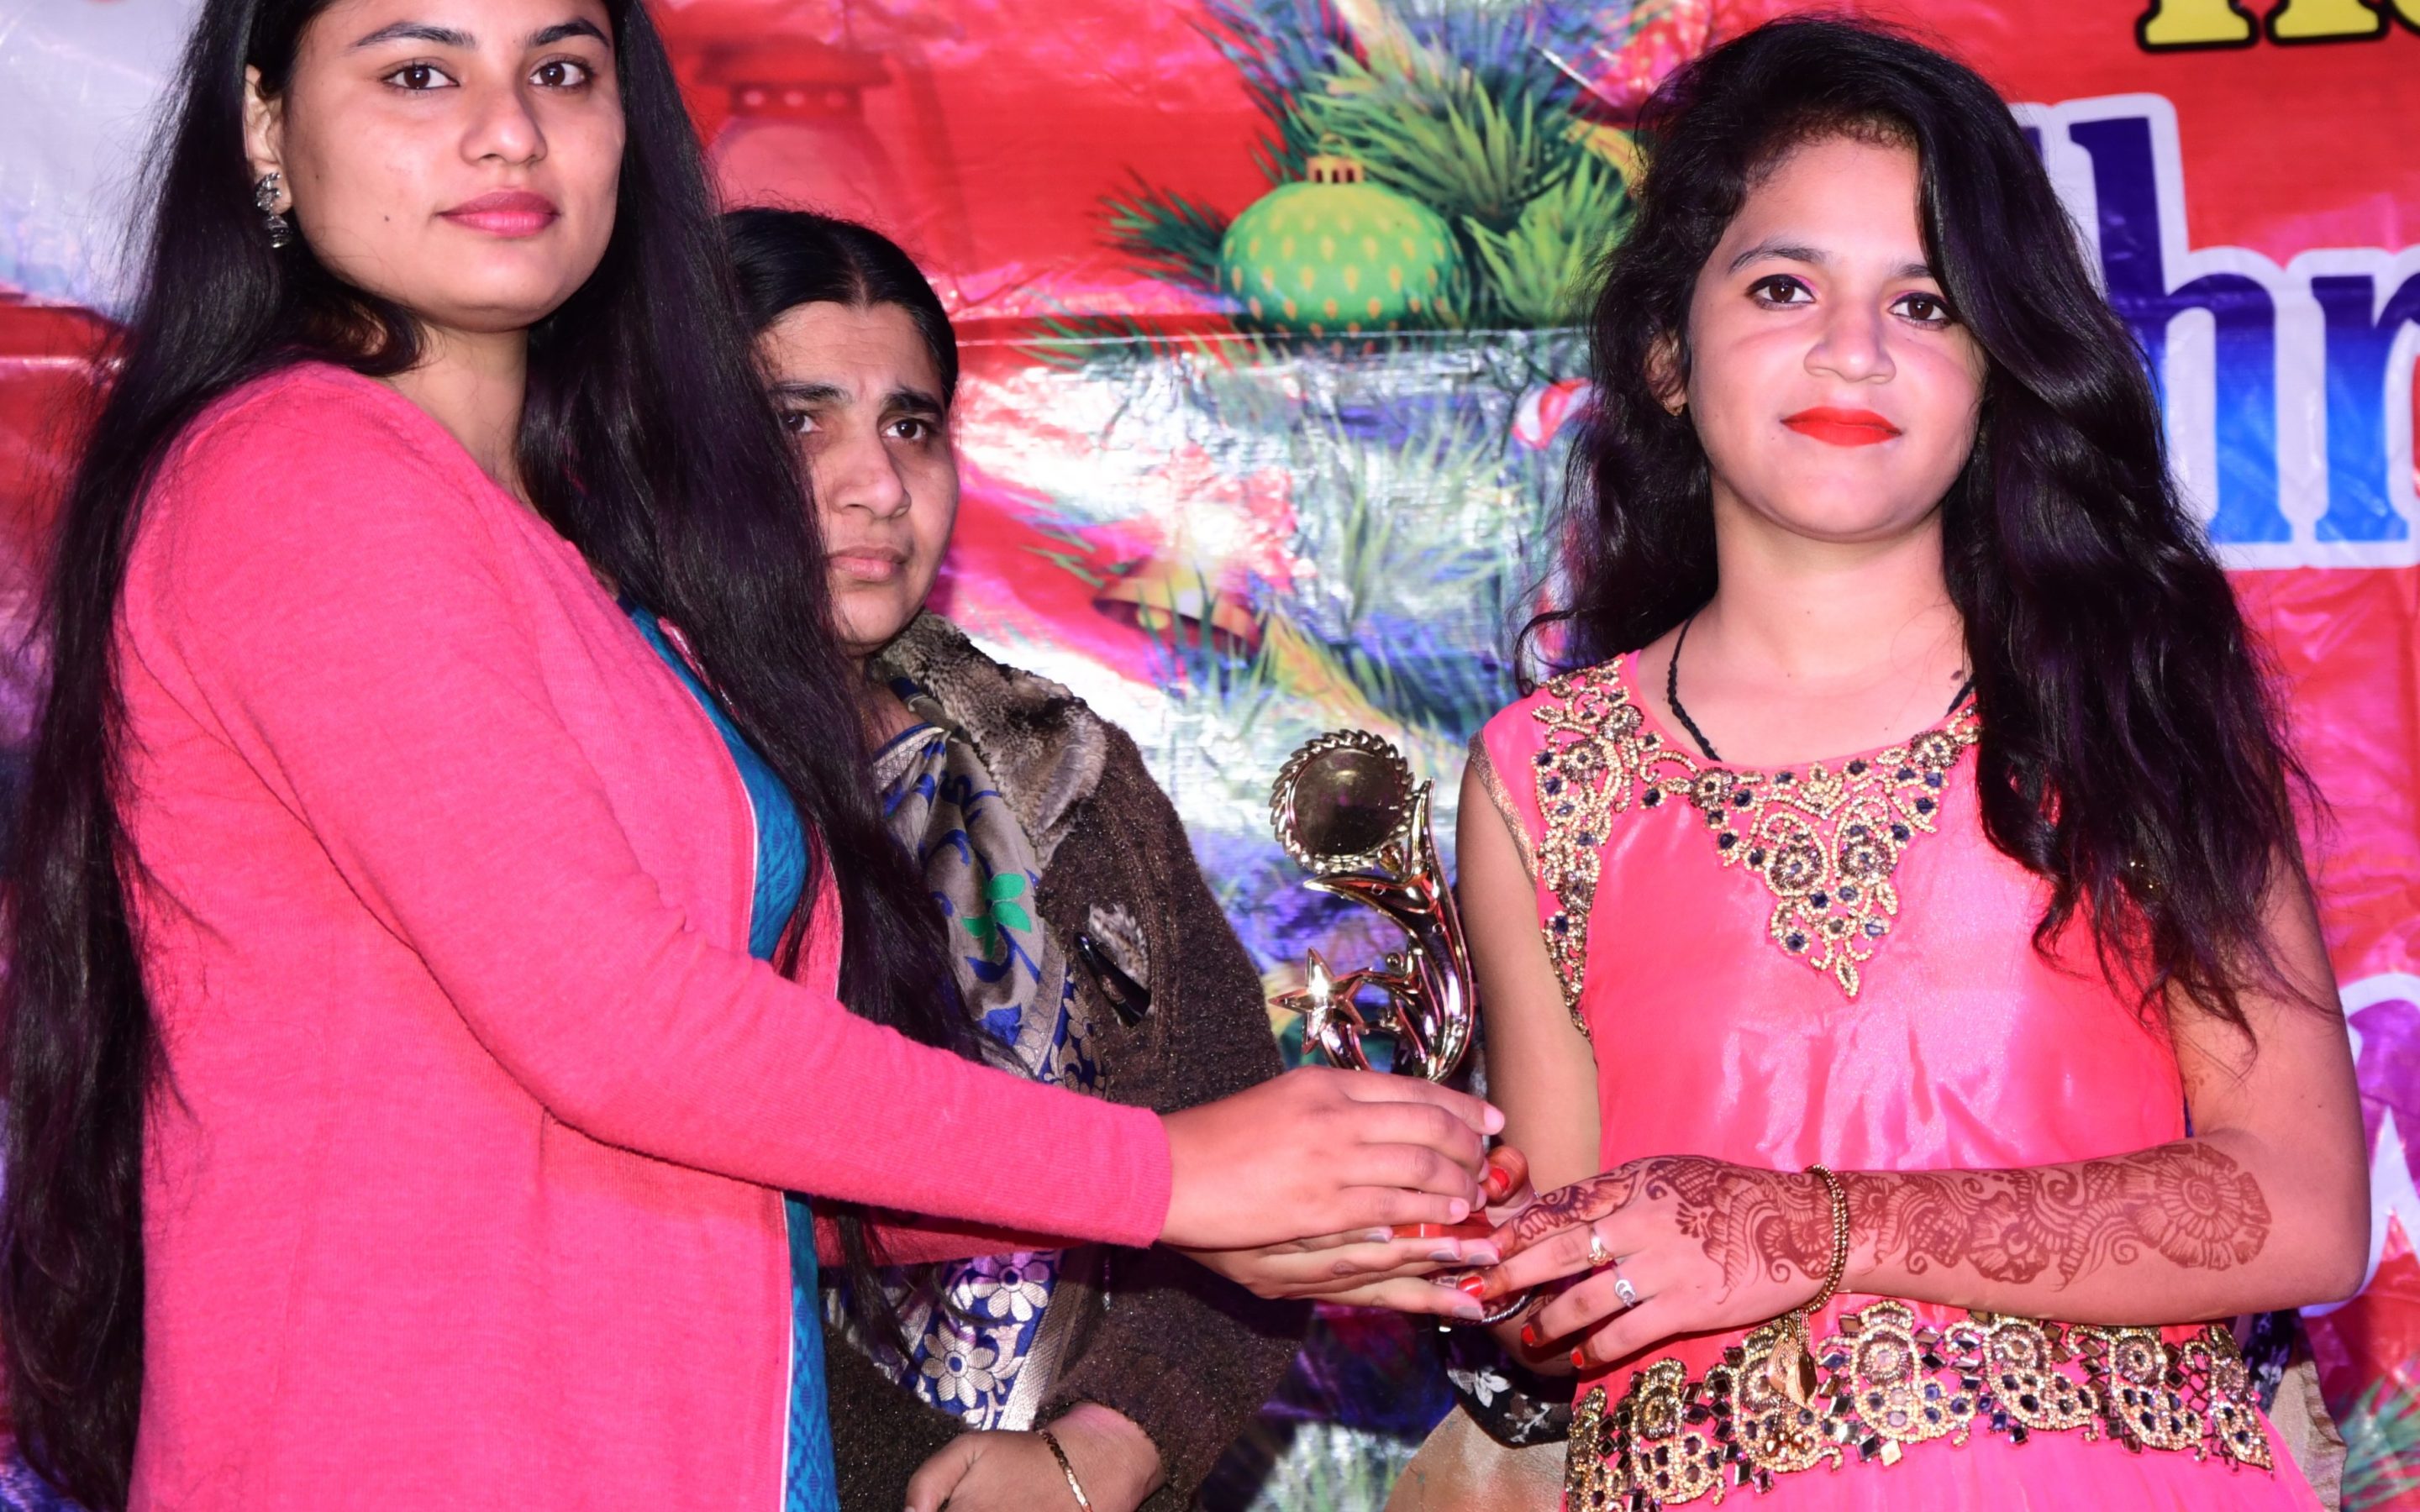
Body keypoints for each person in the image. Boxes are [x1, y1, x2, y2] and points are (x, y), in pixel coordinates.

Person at [0, 4, 1512, 1509]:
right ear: (265, 125)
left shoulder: (569, 578)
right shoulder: (306, 473)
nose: (507, 129)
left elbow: (704, 1150)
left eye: (561, 70)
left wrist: (1217, 1209)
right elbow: (619, 1027)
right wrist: (1165, 1176)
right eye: (418, 71)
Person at [1453, 18, 2368, 1509]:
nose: (1854, 348)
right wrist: (1454, 1233)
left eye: (1925, 303)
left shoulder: (2125, 700)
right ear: (1669, 354)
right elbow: (1564, 1309)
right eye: (1783, 285)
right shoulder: (1541, 776)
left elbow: (2305, 1206)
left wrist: (1816, 1230)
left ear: (1996, 373)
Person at [720, 207, 1334, 1512]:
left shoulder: (1064, 772)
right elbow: (666, 1205)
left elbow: (1239, 1155)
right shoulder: (628, 776)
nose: (876, 485)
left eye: (911, 425)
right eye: (797, 421)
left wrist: (1100, 1450)